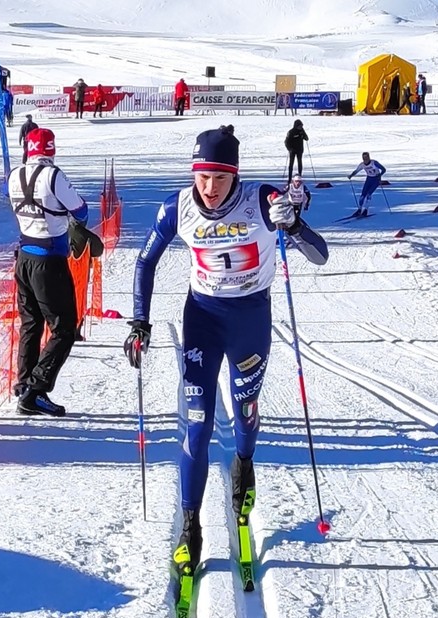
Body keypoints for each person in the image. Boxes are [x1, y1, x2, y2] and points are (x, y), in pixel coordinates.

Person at [123, 125, 328, 591]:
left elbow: (320, 256)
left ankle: (244, 462)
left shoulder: (262, 200)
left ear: (235, 174)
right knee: (197, 422)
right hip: (203, 319)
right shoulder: (177, 206)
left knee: (244, 410)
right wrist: (140, 322)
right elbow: (145, 261)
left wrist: (293, 225)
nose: (210, 188)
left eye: (219, 177)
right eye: (202, 176)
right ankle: (190, 525)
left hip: (250, 321)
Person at [6, 127, 88, 416]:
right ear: (51, 149)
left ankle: (23, 383)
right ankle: (36, 391)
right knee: (64, 328)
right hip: (49, 259)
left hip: (24, 257)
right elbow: (80, 210)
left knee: (31, 323)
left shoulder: (14, 175)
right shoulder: (53, 175)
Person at [348, 151, 387, 217]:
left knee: (368, 194)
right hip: (368, 179)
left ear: (369, 157)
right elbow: (356, 171)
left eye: (366, 158)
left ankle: (365, 210)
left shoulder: (374, 163)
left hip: (376, 180)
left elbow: (384, 169)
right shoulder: (362, 164)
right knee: (362, 195)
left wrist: (380, 175)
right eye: (363, 158)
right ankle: (359, 210)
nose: (365, 159)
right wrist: (351, 175)